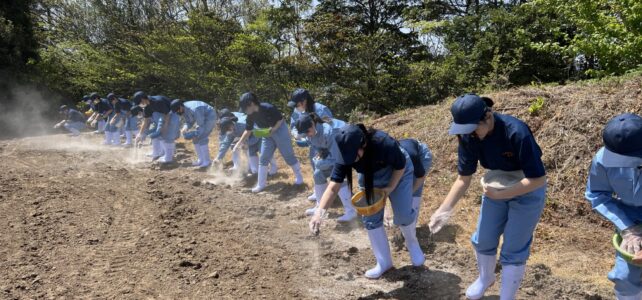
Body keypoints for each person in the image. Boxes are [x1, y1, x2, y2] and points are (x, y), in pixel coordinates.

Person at [428, 93, 547, 300]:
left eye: (474, 128)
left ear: (488, 116)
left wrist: (502, 194)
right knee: (483, 240)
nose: (471, 134)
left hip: (527, 189)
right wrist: (444, 209)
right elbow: (463, 178)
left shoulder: (516, 131)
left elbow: (538, 179)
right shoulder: (468, 136)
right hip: (495, 185)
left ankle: (506, 296)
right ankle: (485, 278)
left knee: (513, 248)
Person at [309, 124, 425, 279]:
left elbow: (401, 165)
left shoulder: (383, 142)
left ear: (363, 143)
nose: (350, 160)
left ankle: (412, 243)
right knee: (370, 218)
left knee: (403, 215)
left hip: (398, 172)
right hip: (370, 177)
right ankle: (384, 262)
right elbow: (333, 186)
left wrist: (390, 187)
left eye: (353, 155)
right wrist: (319, 213)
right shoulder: (345, 152)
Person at [585, 113, 642, 300]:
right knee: (625, 278)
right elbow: (598, 194)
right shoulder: (603, 159)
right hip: (630, 217)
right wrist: (627, 228)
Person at [233, 92, 304, 193]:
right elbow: (248, 130)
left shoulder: (268, 107)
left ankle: (299, 180)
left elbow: (280, 119)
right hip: (266, 133)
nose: (244, 111)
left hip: (279, 130)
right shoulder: (250, 115)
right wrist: (239, 143)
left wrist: (274, 129)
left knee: (288, 156)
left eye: (245, 108)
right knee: (264, 158)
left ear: (252, 104)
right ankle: (261, 185)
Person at [294, 113, 356, 222]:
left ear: (313, 124)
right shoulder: (312, 133)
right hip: (335, 154)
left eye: (307, 132)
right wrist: (321, 155)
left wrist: (321, 163)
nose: (307, 135)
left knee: (337, 175)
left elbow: (338, 159)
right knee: (318, 174)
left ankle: (351, 211)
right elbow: (319, 148)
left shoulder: (330, 132)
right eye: (304, 134)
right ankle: (319, 208)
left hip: (349, 151)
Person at [288, 88, 333, 201]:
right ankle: (320, 191)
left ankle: (334, 191)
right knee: (315, 165)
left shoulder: (321, 109)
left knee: (330, 167)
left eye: (297, 104)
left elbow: (329, 128)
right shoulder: (298, 111)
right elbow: (294, 124)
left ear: (304, 101)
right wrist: (296, 134)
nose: (295, 107)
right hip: (314, 144)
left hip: (327, 144)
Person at [170, 99, 217, 168]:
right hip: (202, 119)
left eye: (177, 110)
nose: (177, 112)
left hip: (210, 116)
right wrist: (185, 128)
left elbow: (201, 125)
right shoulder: (184, 110)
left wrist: (195, 134)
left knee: (202, 136)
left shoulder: (195, 109)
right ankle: (201, 160)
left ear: (181, 106)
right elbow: (189, 122)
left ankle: (207, 161)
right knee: (195, 138)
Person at [399, 138, 433, 222]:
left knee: (415, 190)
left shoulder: (412, 156)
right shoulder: (390, 159)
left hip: (422, 155)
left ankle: (412, 223)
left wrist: (409, 193)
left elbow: (420, 177)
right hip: (407, 153)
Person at [132, 91, 171, 160]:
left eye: (139, 103)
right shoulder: (147, 107)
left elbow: (167, 114)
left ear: (142, 100)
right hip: (160, 117)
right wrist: (140, 134)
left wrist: (165, 126)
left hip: (170, 114)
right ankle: (156, 152)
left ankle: (166, 155)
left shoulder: (158, 102)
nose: (139, 105)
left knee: (161, 134)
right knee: (154, 134)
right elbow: (146, 121)